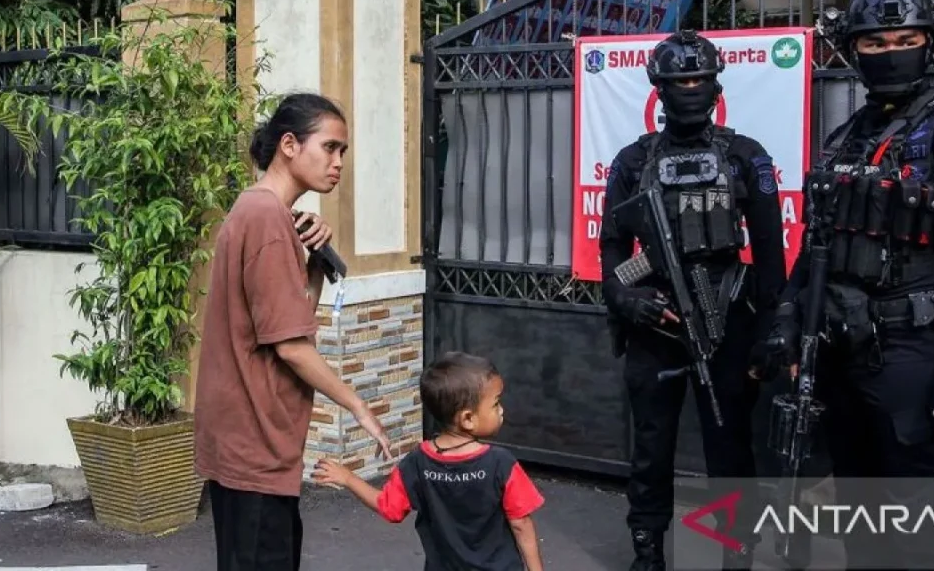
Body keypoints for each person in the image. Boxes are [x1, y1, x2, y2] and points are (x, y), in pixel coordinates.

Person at [754, 0, 934, 570]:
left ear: (930, 43)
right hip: (846, 357)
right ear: (854, 51)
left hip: (920, 360)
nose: (890, 53)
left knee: (927, 536)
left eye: (906, 41)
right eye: (874, 42)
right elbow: (816, 244)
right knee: (864, 526)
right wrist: (788, 319)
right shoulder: (848, 136)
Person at [600, 30, 788, 571]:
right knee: (652, 447)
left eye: (699, 79)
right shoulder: (632, 162)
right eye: (679, 81)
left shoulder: (745, 158)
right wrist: (626, 299)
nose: (690, 89)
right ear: (659, 89)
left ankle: (737, 553)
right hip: (654, 322)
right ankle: (648, 550)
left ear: (714, 85)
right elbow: (613, 246)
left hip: (728, 317)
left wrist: (773, 329)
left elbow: (771, 256)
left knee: (729, 447)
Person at [193, 92, 393, 571]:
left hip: (254, 445)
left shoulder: (265, 214)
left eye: (342, 151)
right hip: (253, 443)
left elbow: (290, 319)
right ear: (288, 144)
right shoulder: (264, 216)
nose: (338, 162)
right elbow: (291, 347)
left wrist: (315, 267)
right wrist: (358, 405)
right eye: (329, 147)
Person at [312, 351, 546, 571]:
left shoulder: (416, 463)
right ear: (467, 418)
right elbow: (521, 524)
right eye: (495, 403)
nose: (502, 410)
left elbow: (389, 507)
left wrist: (348, 478)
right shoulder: (501, 464)